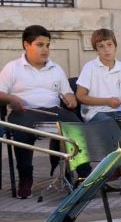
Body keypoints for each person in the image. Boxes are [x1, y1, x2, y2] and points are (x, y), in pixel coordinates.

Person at [0, 24, 85, 198]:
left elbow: (67, 92)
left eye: (47, 45)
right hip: (25, 111)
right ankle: (26, 178)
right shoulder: (13, 67)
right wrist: (11, 99)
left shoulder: (56, 68)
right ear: (26, 45)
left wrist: (71, 99)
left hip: (53, 111)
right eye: (40, 45)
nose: (45, 49)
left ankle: (84, 175)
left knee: (76, 126)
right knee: (22, 131)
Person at [76, 28, 121, 123]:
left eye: (109, 44)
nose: (106, 49)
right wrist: (107, 101)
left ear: (115, 47)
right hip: (95, 113)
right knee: (109, 124)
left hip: (119, 111)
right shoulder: (89, 67)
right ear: (96, 50)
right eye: (101, 46)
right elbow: (80, 96)